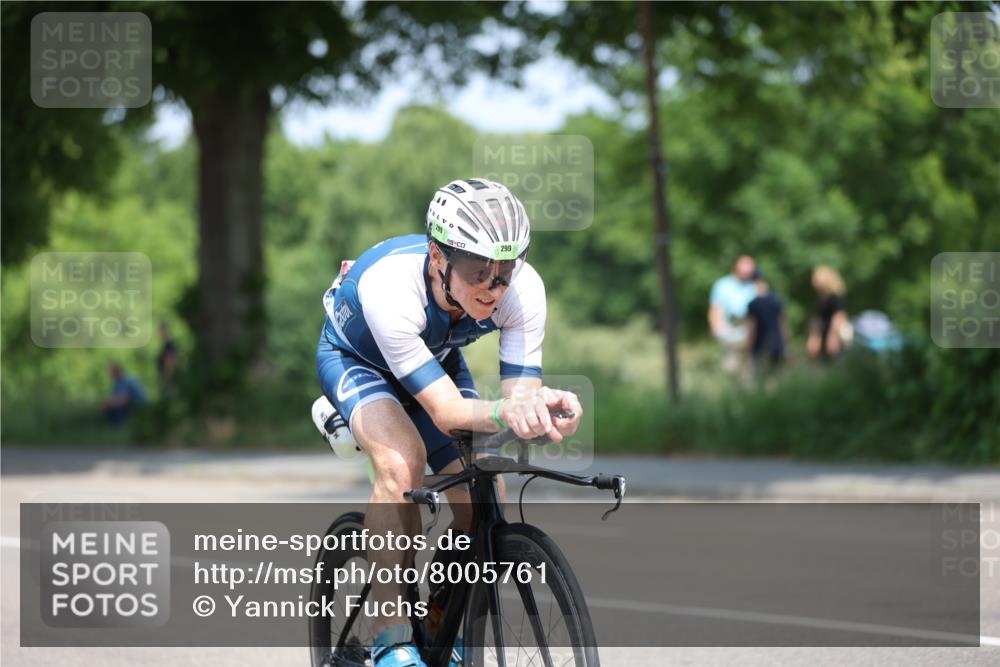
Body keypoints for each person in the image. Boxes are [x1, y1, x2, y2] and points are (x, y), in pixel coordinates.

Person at [315, 178, 582, 667]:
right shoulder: (391, 288)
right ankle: (391, 640)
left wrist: (538, 408)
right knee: (402, 464)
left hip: (434, 358)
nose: (496, 287)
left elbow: (515, 400)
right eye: (481, 271)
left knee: (486, 496)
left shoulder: (523, 291)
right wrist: (507, 413)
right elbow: (445, 412)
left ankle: (442, 621)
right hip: (358, 361)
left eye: (507, 269)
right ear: (439, 258)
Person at [708, 255, 759, 374]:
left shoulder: (755, 286)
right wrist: (718, 329)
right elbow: (715, 310)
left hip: (750, 332)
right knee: (731, 369)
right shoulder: (723, 285)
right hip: (730, 331)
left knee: (750, 371)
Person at [744, 269, 787, 374]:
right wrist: (786, 345)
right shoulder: (776, 300)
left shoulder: (753, 304)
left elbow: (751, 328)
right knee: (776, 376)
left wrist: (747, 348)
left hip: (759, 346)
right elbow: (783, 324)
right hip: (777, 344)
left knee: (760, 376)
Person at [806, 265, 849, 360]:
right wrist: (815, 336)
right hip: (822, 333)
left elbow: (839, 316)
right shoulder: (821, 297)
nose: (813, 280)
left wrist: (833, 336)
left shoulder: (835, 296)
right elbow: (818, 318)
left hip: (833, 333)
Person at [100, 362, 147, 427]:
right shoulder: (117, 383)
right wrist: (107, 403)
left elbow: (123, 400)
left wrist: (108, 405)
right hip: (132, 406)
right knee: (110, 407)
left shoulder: (125, 381)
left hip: (138, 407)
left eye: (110, 372)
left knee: (115, 409)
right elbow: (114, 398)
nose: (109, 375)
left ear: (116, 372)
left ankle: (119, 428)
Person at [156, 319, 179, 395]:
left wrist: (167, 377)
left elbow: (170, 360)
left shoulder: (169, 342)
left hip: (170, 378)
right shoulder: (167, 342)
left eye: (161, 328)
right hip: (168, 377)